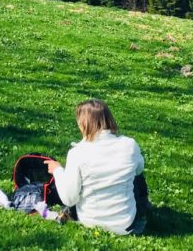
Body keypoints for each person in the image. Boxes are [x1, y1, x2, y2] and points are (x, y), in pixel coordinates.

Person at [44, 99, 146, 235]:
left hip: (91, 222)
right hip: (126, 224)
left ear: (83, 124)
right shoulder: (130, 145)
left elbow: (69, 198)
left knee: (74, 186)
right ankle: (145, 206)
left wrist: (57, 170)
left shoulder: (77, 153)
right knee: (136, 176)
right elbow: (139, 169)